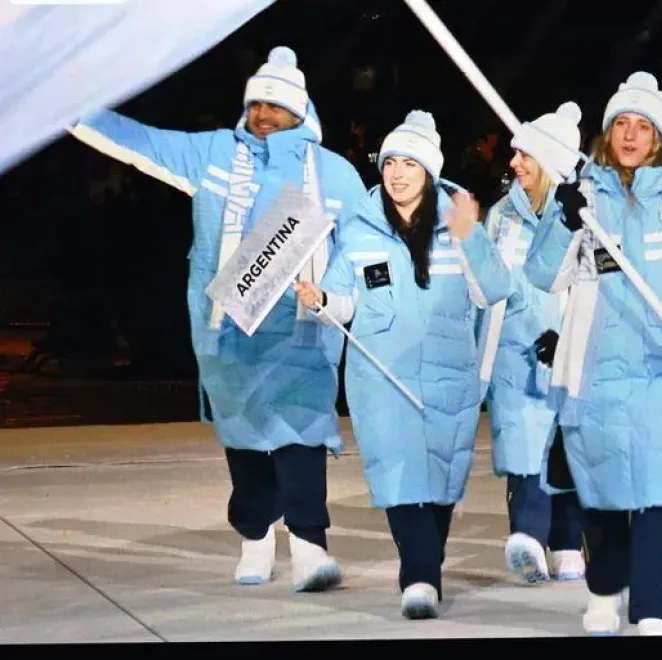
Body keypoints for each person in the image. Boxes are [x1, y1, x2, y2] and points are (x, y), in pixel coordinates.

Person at [68, 47, 367, 592]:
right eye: (256, 105)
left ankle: (308, 545)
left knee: (301, 439)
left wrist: (335, 294)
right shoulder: (212, 154)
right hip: (228, 334)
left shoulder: (333, 174)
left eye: (276, 108)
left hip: (301, 334)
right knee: (245, 439)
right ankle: (255, 538)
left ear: (302, 113)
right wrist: (65, 108)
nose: (263, 116)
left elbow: (362, 243)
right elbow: (139, 143)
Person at [523, 72, 662, 636]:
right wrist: (560, 221)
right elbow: (542, 273)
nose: (631, 135)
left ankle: (652, 611)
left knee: (658, 494)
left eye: (643, 127)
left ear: (659, 138)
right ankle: (602, 592)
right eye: (622, 124)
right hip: (594, 371)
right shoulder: (582, 197)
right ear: (608, 132)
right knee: (603, 495)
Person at [295, 110, 511, 619]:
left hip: (448, 374)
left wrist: (471, 236)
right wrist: (321, 297)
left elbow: (494, 290)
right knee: (399, 476)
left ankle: (425, 563)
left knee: (439, 480)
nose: (396, 172)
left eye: (408, 164)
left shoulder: (455, 222)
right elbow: (345, 302)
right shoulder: (360, 229)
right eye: (390, 161)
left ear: (428, 172)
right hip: (380, 377)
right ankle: (418, 576)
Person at [476, 102, 586, 584]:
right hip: (513, 350)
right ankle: (528, 538)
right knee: (524, 446)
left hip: (569, 348)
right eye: (515, 154)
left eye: (525, 156)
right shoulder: (501, 214)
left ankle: (567, 544)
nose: (513, 163)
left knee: (567, 446)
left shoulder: (584, 214)